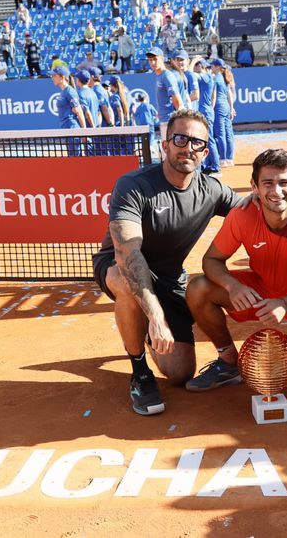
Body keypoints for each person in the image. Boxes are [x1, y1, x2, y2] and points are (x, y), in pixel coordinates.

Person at [91, 109, 241, 415]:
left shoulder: (210, 190)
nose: (188, 147)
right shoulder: (134, 185)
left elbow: (254, 212)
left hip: (170, 278)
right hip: (122, 267)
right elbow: (128, 255)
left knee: (180, 374)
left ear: (205, 152)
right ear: (165, 143)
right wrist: (156, 315)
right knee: (127, 283)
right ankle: (140, 372)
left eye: (196, 143)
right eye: (180, 138)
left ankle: (145, 329)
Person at [185, 148, 287, 394]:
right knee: (198, 289)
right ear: (255, 186)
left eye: (284, 183)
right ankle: (228, 362)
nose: (276, 191)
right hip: (261, 291)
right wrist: (233, 286)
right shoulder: (241, 216)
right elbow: (212, 260)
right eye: (267, 183)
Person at [50, 66, 87, 157]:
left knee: (75, 159)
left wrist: (85, 133)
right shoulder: (64, 92)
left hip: (72, 130)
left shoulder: (70, 91)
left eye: (54, 75)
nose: (52, 78)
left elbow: (79, 112)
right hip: (67, 130)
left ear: (62, 77)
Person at [192, 57, 221, 176]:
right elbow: (213, 97)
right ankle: (209, 165)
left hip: (205, 111)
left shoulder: (205, 76)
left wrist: (192, 61)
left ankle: (215, 167)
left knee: (209, 139)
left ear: (200, 66)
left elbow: (190, 74)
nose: (194, 67)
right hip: (207, 110)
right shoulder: (210, 77)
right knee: (205, 139)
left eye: (196, 65)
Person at [147, 47, 182, 140]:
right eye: (150, 60)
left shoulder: (167, 76)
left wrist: (178, 123)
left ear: (162, 59)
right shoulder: (159, 76)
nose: (152, 63)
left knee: (170, 153)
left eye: (155, 59)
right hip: (164, 121)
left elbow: (178, 101)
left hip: (170, 122)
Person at [210, 59, 234, 166]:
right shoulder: (225, 78)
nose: (211, 67)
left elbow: (214, 96)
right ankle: (229, 158)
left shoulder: (215, 78)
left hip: (219, 107)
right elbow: (230, 94)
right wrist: (231, 108)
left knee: (220, 134)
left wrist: (211, 108)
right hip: (226, 107)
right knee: (228, 133)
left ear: (216, 67)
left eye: (212, 66)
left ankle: (223, 159)